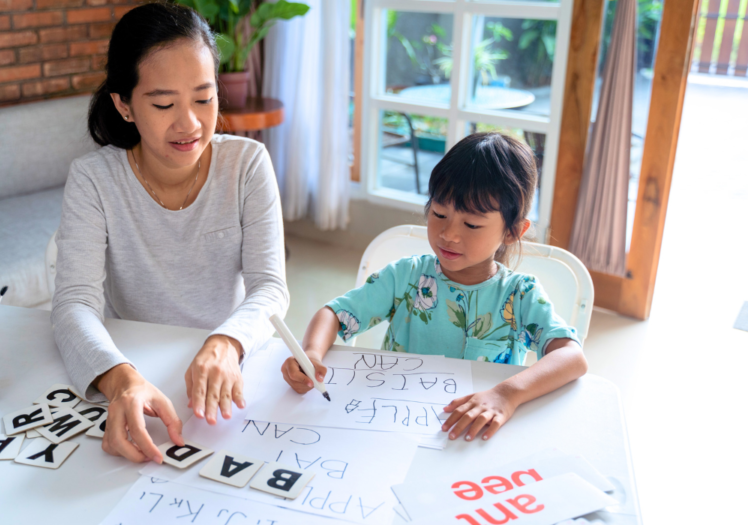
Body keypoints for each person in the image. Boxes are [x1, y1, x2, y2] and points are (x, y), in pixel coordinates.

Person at [52, 2, 288, 464]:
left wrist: (226, 343)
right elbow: (73, 303)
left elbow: (270, 288)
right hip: (134, 369)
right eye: (163, 104)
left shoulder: (247, 165)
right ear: (124, 104)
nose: (191, 124)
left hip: (227, 370)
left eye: (204, 98)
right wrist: (121, 378)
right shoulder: (93, 179)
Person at [280, 132, 587, 442]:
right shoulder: (406, 277)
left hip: (474, 434)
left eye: (471, 224)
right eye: (439, 214)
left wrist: (507, 393)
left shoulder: (520, 295)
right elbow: (334, 314)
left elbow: (572, 358)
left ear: (513, 231)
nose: (449, 233)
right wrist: (311, 354)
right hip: (394, 427)